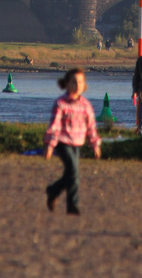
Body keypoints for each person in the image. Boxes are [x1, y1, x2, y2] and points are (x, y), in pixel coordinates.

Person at [44, 67, 101, 216]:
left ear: (84, 85)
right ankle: (72, 204)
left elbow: (91, 127)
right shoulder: (61, 103)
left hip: (77, 142)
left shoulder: (86, 105)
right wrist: (50, 146)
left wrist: (95, 144)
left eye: (80, 82)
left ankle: (55, 192)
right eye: (74, 82)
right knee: (73, 171)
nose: (77, 85)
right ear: (67, 84)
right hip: (63, 142)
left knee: (73, 174)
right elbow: (54, 126)